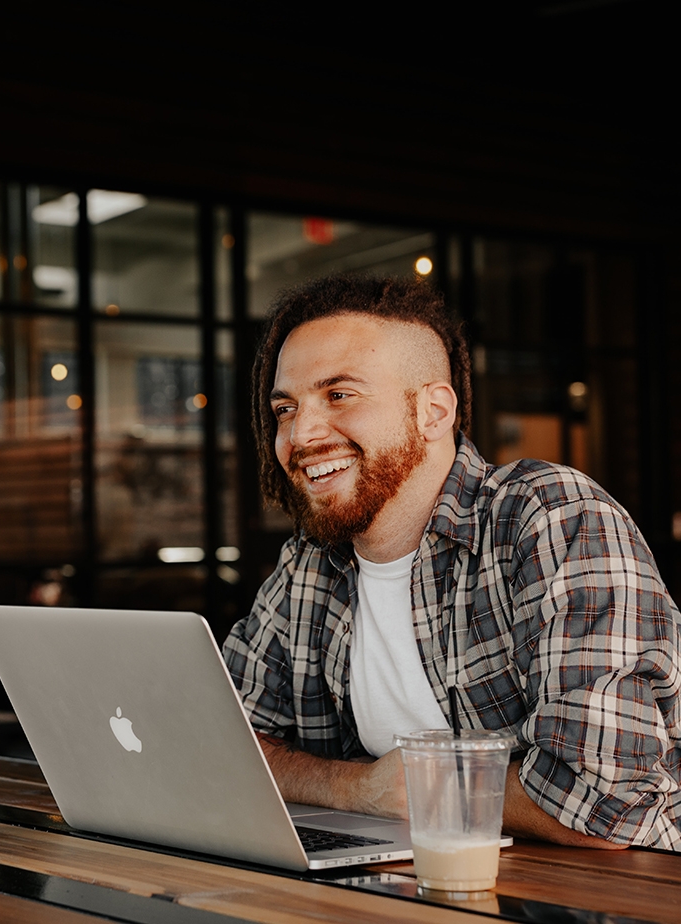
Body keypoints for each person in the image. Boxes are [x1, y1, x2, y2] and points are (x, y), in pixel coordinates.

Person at [223, 274, 681, 850]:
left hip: (613, 894)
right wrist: (356, 789)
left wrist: (429, 786)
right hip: (403, 885)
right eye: (286, 408)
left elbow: (605, 803)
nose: (300, 433)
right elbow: (226, 743)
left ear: (434, 412)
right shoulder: (311, 563)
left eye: (339, 395)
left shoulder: (551, 518)